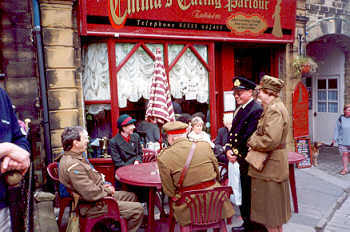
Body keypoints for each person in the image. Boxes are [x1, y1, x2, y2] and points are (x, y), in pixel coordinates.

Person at [58, 126, 144, 232]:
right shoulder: (73, 166)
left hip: (95, 198)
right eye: (85, 138)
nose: (88, 140)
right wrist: (107, 190)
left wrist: (103, 185)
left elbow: (91, 179)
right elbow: (90, 193)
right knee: (138, 209)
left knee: (132, 196)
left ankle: (118, 226)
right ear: (76, 142)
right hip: (92, 206)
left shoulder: (74, 157)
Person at [157, 121, 234, 226]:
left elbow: (169, 191)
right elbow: (217, 173)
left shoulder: (164, 157)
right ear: (186, 134)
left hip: (188, 208)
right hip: (215, 202)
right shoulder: (205, 146)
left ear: (170, 138)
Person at [247, 75, 291, 232]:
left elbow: (271, 140)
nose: (259, 94)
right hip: (272, 167)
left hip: (270, 168)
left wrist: (251, 141)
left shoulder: (274, 110)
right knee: (274, 218)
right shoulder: (274, 108)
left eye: (262, 91)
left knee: (270, 217)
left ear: (270, 93)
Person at [224, 76, 263, 232]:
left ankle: (253, 225)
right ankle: (247, 223)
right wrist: (228, 148)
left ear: (250, 92)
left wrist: (234, 152)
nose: (236, 96)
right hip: (240, 157)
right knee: (244, 191)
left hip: (248, 157)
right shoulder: (240, 108)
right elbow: (233, 133)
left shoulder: (256, 109)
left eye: (240, 93)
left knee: (250, 193)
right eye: (235, 93)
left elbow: (248, 135)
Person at [0, 88, 31, 231]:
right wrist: (6, 149)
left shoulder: (1, 95)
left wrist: (21, 154)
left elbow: (19, 137)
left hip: (3, 208)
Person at [332, 104, 350, 175]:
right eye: (349, 110)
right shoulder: (340, 118)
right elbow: (337, 129)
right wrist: (334, 138)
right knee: (345, 154)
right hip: (343, 140)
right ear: (344, 111)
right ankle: (345, 169)